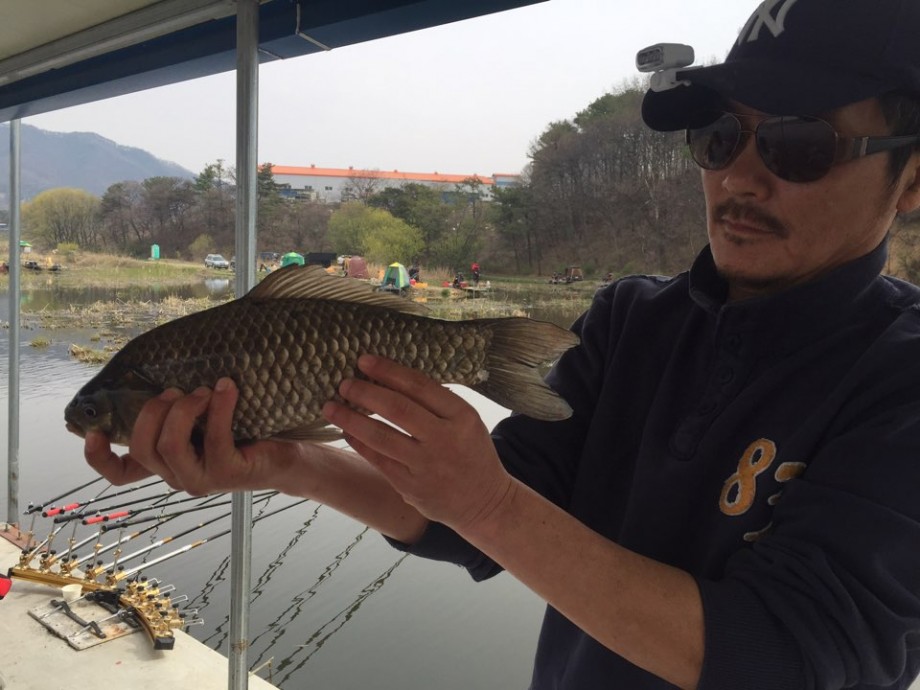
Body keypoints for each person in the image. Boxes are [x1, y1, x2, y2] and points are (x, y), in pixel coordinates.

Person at [83, 0, 920, 687]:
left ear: (911, 180)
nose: (738, 177)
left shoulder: (900, 378)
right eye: (720, 138)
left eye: (799, 146)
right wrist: (286, 462)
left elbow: (789, 657)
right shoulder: (630, 321)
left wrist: (490, 507)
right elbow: (476, 514)